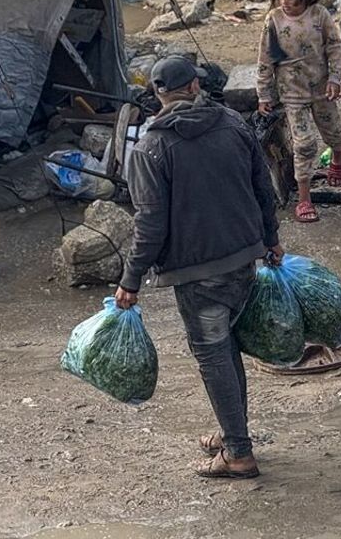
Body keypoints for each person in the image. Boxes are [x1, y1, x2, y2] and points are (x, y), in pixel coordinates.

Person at [116, 56, 283, 479]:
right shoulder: (232, 123)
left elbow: (149, 222)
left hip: (196, 273)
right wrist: (271, 241)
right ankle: (233, 434)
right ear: (195, 86)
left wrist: (130, 279)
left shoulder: (151, 147)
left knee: (214, 355)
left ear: (159, 95)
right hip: (243, 257)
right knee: (227, 349)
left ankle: (239, 452)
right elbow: (263, 187)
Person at [257, 0, 341, 223]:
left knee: (333, 132)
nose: (285, 3)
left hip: (321, 89)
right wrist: (264, 93)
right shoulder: (273, 20)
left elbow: (334, 48)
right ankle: (304, 197)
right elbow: (265, 59)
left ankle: (340, 156)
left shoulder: (319, 16)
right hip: (291, 92)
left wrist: (335, 78)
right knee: (305, 143)